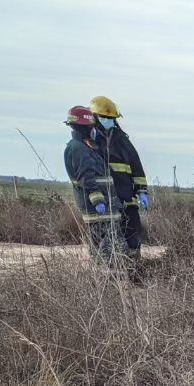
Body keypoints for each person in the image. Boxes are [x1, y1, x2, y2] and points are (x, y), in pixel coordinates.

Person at [88, 95, 148, 278]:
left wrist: (142, 191)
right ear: (94, 117)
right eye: (104, 117)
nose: (108, 121)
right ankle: (104, 276)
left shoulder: (123, 141)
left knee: (133, 237)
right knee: (103, 240)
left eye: (111, 118)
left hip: (126, 198)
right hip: (103, 201)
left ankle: (132, 272)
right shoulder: (89, 142)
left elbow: (136, 168)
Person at [62, 105, 122, 268]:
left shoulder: (87, 146)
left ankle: (110, 281)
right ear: (83, 127)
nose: (93, 129)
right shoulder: (78, 149)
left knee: (113, 250)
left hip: (106, 206)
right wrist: (98, 201)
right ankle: (105, 283)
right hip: (97, 209)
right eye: (91, 126)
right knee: (105, 251)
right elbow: (86, 178)